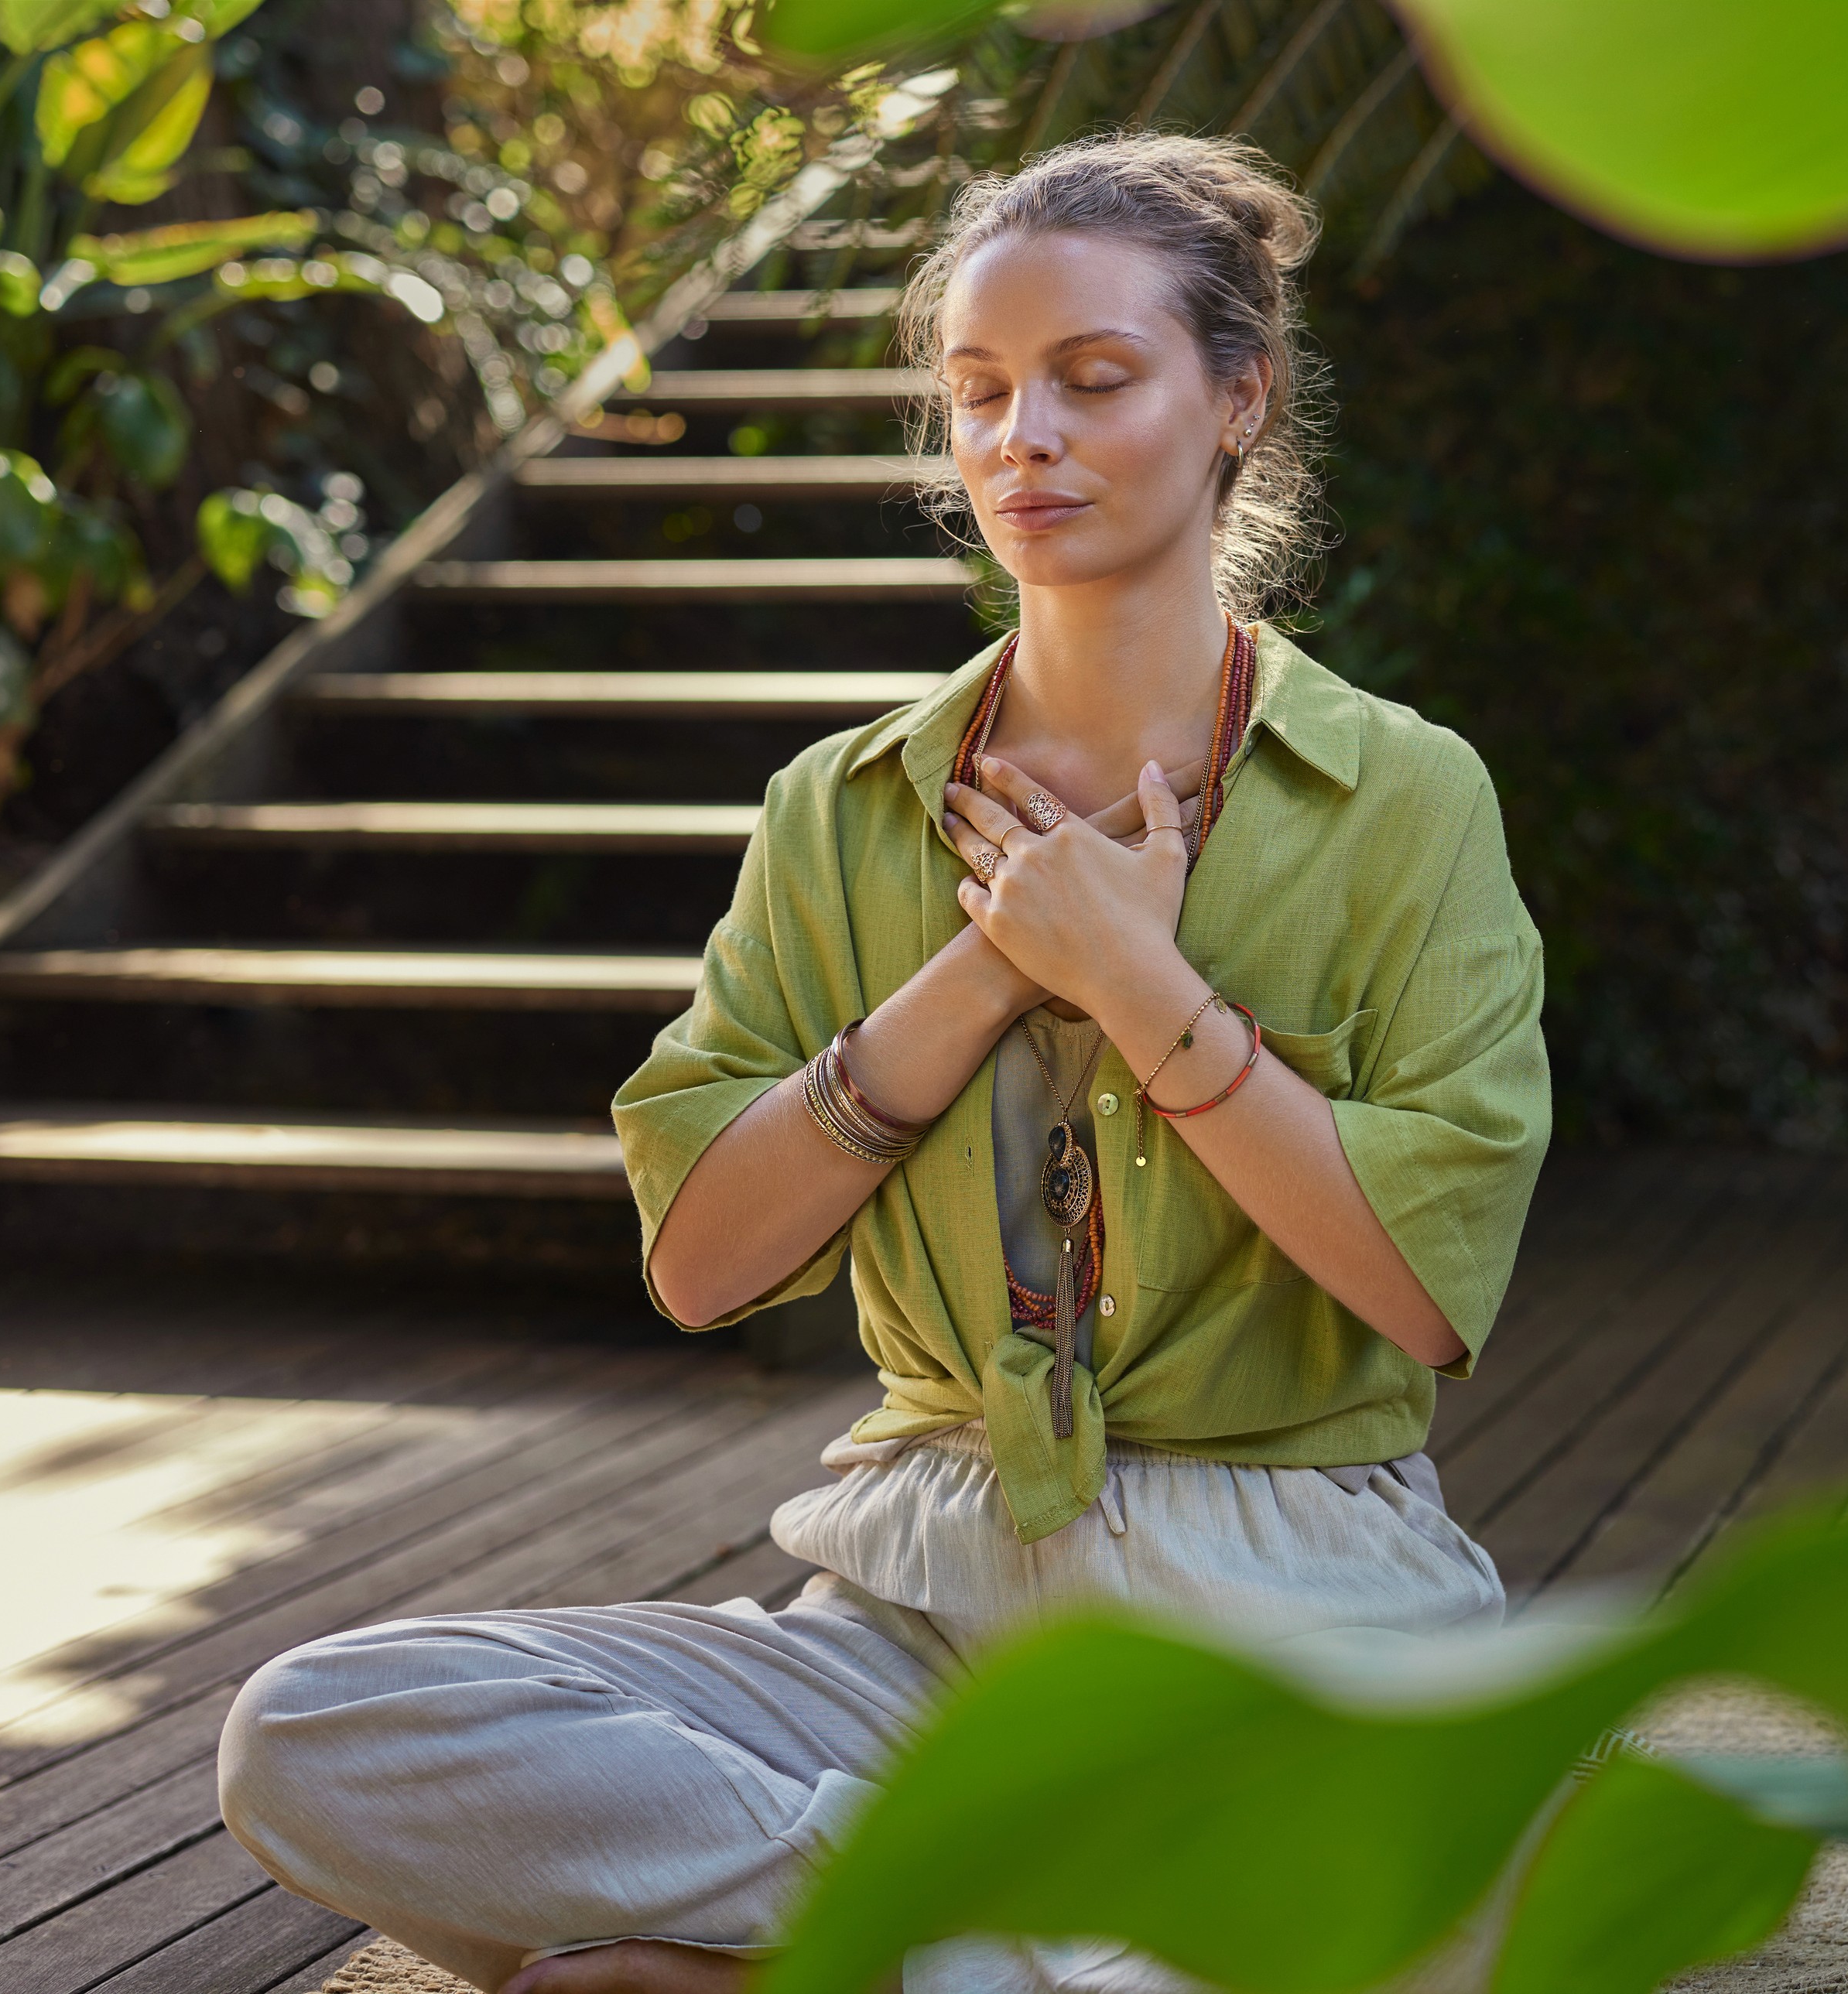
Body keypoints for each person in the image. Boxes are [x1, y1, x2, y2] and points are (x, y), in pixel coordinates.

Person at [217, 132, 1551, 1994]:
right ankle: (984, 1933)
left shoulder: (1403, 795)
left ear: (1237, 397)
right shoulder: (836, 811)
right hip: (914, 1618)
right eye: (983, 392)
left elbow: (1420, 1287)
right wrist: (993, 968)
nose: (1026, 439)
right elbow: (703, 1260)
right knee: (315, 1727)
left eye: (1096, 381)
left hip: (1291, 1614)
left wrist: (1146, 988)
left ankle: (817, 1947)